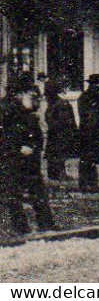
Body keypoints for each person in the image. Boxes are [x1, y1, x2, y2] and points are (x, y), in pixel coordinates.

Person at [2, 85, 56, 234]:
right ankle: (20, 228)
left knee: (38, 192)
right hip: (12, 160)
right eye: (29, 95)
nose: (33, 98)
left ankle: (46, 224)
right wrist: (18, 149)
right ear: (19, 94)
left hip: (31, 161)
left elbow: (37, 135)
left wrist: (34, 147)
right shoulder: (5, 112)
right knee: (13, 194)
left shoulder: (30, 114)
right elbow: (3, 138)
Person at [76, 74, 99, 193]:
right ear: (92, 84)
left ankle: (93, 183)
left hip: (96, 132)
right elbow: (86, 115)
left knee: (93, 158)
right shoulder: (84, 97)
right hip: (87, 132)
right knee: (86, 158)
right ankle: (84, 183)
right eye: (97, 84)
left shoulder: (97, 96)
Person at [43, 84, 77, 183]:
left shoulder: (56, 103)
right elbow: (63, 120)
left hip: (57, 133)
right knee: (58, 154)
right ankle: (57, 174)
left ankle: (56, 174)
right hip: (58, 133)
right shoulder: (59, 103)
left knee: (56, 154)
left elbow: (54, 119)